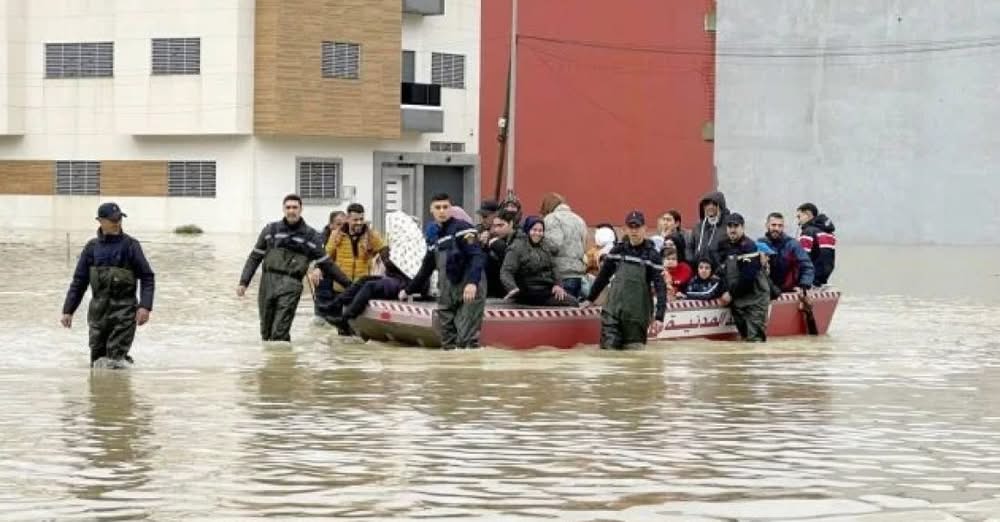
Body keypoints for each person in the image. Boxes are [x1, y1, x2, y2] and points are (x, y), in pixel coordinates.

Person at [238, 194, 350, 342]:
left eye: (295, 207)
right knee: (266, 333)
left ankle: (282, 358)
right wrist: (243, 282)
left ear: (301, 209)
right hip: (267, 284)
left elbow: (327, 264)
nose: (291, 211)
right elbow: (255, 257)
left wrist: (350, 285)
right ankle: (277, 362)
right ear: (283, 209)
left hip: (291, 284)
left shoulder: (311, 236)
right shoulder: (270, 231)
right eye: (288, 207)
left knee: (279, 331)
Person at [61, 203, 155, 369]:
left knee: (114, 361)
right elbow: (79, 282)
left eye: (119, 218)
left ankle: (119, 390)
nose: (117, 222)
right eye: (112, 220)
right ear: (100, 221)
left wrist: (145, 307)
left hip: (125, 313)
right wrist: (68, 310)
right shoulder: (92, 248)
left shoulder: (131, 245)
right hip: (98, 315)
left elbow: (147, 277)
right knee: (97, 362)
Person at [400, 193, 487, 350]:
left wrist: (473, 283)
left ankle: (470, 369)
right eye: (438, 208)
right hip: (447, 291)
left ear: (451, 209)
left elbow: (477, 256)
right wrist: (408, 290)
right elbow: (427, 267)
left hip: (469, 288)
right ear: (431, 210)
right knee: (447, 342)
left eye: (445, 207)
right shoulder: (433, 235)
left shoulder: (463, 228)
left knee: (464, 341)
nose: (442, 211)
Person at [582, 211, 667, 350]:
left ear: (644, 229)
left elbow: (660, 287)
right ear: (625, 229)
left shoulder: (653, 256)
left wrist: (659, 317)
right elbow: (603, 277)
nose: (634, 231)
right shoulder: (617, 251)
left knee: (634, 358)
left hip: (637, 318)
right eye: (631, 227)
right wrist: (590, 298)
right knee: (608, 354)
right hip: (612, 313)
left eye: (637, 227)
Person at [324, 203, 388, 333]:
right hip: (341, 287)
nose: (359, 223)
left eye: (361, 219)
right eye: (355, 220)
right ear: (347, 219)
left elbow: (384, 253)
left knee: (357, 328)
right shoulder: (336, 235)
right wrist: (317, 269)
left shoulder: (372, 235)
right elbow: (326, 258)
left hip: (361, 289)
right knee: (342, 331)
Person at [500, 216, 577, 307]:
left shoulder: (545, 246)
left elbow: (554, 267)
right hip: (527, 291)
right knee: (570, 303)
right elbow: (506, 271)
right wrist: (512, 288)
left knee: (573, 302)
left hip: (545, 290)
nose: (537, 233)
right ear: (528, 229)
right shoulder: (517, 247)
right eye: (534, 230)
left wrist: (558, 285)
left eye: (540, 230)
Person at [718, 213, 770, 342]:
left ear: (743, 227)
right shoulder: (724, 245)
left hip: (755, 300)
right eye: (729, 226)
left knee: (755, 340)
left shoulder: (749, 246)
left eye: (736, 226)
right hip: (737, 301)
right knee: (744, 338)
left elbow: (748, 277)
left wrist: (730, 294)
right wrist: (724, 290)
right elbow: (721, 272)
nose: (732, 229)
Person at [540, 192, 588, 298]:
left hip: (560, 274)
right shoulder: (579, 220)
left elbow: (554, 244)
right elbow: (585, 245)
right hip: (578, 274)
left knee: (560, 311)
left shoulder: (551, 219)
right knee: (574, 311)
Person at [759, 212, 815, 294]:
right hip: (766, 291)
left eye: (780, 226)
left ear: (783, 227)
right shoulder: (760, 243)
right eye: (773, 225)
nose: (776, 228)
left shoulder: (792, 244)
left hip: (787, 291)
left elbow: (807, 266)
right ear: (767, 225)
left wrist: (804, 285)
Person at [314, 210, 347, 321]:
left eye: (344, 224)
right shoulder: (322, 239)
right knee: (322, 318)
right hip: (325, 280)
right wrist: (318, 268)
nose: (342, 227)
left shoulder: (347, 238)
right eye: (338, 224)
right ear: (331, 225)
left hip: (340, 281)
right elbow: (320, 256)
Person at [796, 202, 837, 286]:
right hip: (823, 278)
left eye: (799, 216)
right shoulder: (830, 234)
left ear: (808, 214)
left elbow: (802, 258)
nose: (798, 221)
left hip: (808, 279)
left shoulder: (808, 232)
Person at [484, 210, 519, 298]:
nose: (497, 229)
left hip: (513, 291)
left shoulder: (519, 239)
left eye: (501, 225)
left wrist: (498, 246)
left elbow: (511, 261)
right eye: (495, 226)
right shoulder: (493, 238)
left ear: (510, 224)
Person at [691, 191, 731, 268]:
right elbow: (690, 246)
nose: (710, 207)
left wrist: (720, 269)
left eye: (714, 204)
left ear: (721, 206)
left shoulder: (728, 226)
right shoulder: (698, 227)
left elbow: (731, 251)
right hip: (699, 270)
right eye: (707, 204)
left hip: (719, 272)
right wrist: (691, 262)